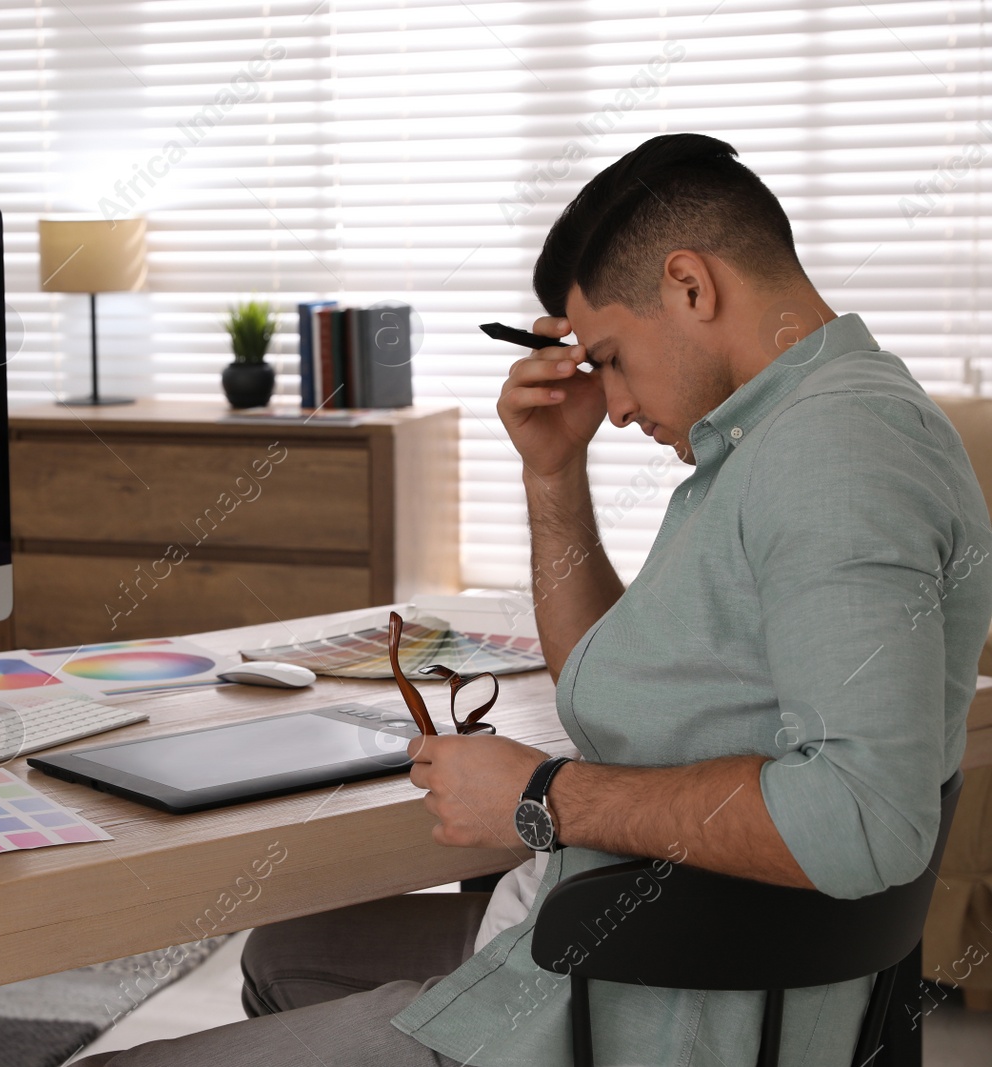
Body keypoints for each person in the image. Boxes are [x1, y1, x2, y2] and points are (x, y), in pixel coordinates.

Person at [73, 132, 992, 1066]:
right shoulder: (777, 439)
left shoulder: (834, 456)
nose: (619, 404)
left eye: (614, 356)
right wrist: (554, 472)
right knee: (291, 951)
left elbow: (863, 816)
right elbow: (603, 674)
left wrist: (545, 796)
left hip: (662, 1008)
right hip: (625, 950)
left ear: (690, 286)